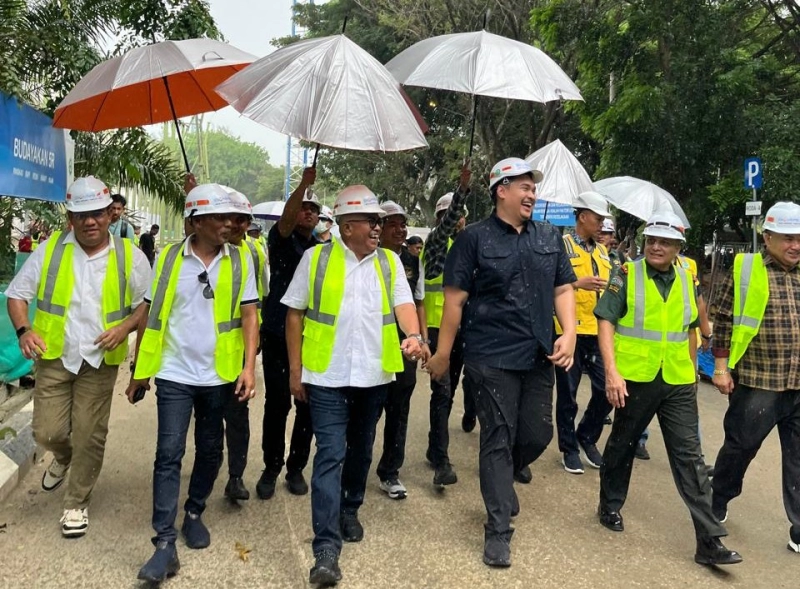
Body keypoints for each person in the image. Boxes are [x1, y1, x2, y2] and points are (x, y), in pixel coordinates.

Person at [427, 157, 577, 568]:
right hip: (489, 355)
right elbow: (454, 302)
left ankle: (505, 473)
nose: (531, 193)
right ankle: (497, 532)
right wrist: (443, 354)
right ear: (501, 190)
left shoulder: (549, 235)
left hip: (538, 355)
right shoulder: (472, 240)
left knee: (536, 435)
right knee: (497, 436)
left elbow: (563, 288)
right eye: (523, 186)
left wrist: (568, 332)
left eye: (533, 187)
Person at [282, 185, 422, 586]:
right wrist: (295, 370)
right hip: (326, 375)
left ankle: (350, 508)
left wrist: (414, 335)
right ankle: (325, 549)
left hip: (374, 374)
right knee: (329, 454)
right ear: (346, 226)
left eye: (379, 221)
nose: (379, 227)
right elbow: (294, 315)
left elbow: (405, 306)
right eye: (371, 221)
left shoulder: (390, 263)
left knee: (361, 449)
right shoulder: (315, 259)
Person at [127, 183, 259, 583]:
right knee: (168, 453)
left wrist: (248, 367)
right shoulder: (167, 258)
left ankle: (194, 511)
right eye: (219, 217)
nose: (228, 224)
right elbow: (150, 313)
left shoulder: (240, 261)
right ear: (195, 222)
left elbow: (250, 315)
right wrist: (139, 371)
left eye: (230, 218)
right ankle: (164, 543)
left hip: (219, 374)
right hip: (174, 373)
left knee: (209, 449)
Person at [5, 176, 150, 537]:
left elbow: (147, 306)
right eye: (81, 214)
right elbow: (17, 295)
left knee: (90, 433)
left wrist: (125, 330)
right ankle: (64, 457)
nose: (91, 221)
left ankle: (76, 503)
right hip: (55, 357)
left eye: (98, 213)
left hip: (101, 361)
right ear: (70, 218)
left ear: (110, 215)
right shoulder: (52, 250)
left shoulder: (130, 256)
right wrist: (25, 330)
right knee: (47, 432)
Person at [595, 211, 741, 566]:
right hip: (637, 378)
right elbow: (606, 321)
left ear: (679, 247)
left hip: (676, 381)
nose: (656, 247)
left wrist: (692, 372)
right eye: (651, 240)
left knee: (691, 459)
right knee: (622, 445)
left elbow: (689, 329)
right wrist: (612, 373)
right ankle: (609, 504)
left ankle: (709, 542)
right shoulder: (627, 274)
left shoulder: (687, 280)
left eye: (664, 242)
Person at [711, 201, 800, 555]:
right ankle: (719, 497)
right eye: (788, 238)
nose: (796, 245)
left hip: (798, 382)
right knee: (741, 447)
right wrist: (720, 368)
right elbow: (723, 319)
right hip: (758, 379)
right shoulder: (745, 268)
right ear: (768, 237)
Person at [257, 167, 318, 500]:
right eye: (303, 208)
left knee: (307, 406)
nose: (307, 212)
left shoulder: (323, 250)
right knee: (277, 403)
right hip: (278, 333)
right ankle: (271, 466)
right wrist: (303, 186)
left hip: (312, 338)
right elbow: (286, 219)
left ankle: (296, 468)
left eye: (314, 209)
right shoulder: (281, 240)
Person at [554, 191, 614, 475]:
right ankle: (569, 448)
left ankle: (586, 436)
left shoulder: (604, 252)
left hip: (598, 331)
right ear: (582, 217)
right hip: (569, 332)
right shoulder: (561, 246)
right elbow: (552, 284)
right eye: (597, 217)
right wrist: (578, 284)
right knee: (568, 393)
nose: (601, 223)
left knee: (607, 391)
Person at [421, 164, 471, 489]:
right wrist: (462, 188)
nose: (459, 221)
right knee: (441, 393)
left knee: (449, 392)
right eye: (453, 216)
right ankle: (441, 462)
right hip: (438, 332)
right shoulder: (436, 246)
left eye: (462, 215)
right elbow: (446, 227)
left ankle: (432, 445)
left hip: (463, 331)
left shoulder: (469, 248)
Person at [375, 200, 428, 500]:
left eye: (402, 223)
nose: (400, 229)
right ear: (379, 228)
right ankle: (353, 465)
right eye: (392, 223)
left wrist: (421, 339)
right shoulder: (367, 259)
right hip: (375, 347)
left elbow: (417, 302)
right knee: (367, 411)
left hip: (405, 347)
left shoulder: (412, 261)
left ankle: (390, 472)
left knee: (399, 411)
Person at [219, 187, 267, 502]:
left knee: (237, 415)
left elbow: (261, 296)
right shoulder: (204, 250)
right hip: (200, 353)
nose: (238, 225)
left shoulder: (255, 252)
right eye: (231, 219)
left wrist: (254, 345)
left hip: (239, 348)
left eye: (243, 220)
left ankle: (236, 476)